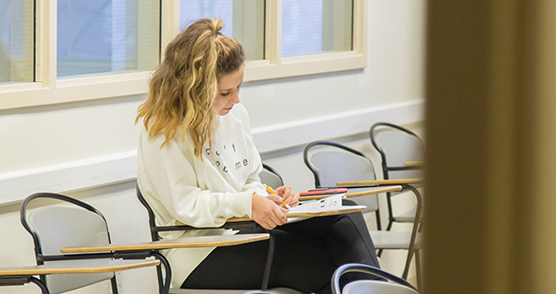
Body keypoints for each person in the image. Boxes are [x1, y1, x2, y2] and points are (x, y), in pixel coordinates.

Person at [136, 18, 380, 294]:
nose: (236, 99)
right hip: (197, 252)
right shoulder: (162, 130)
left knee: (342, 219)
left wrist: (267, 197)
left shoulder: (235, 114)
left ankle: (380, 288)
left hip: (244, 231)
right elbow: (186, 206)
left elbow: (249, 178)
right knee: (326, 262)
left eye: (239, 87)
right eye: (226, 92)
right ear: (193, 89)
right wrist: (248, 203)